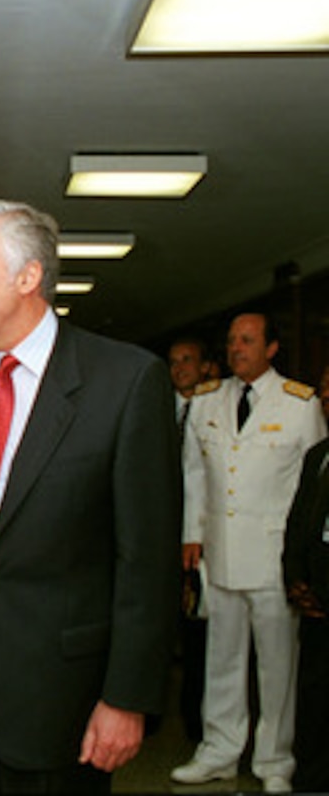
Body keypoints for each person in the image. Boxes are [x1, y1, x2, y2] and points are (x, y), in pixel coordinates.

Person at [0, 200, 181, 794]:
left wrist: (127, 698)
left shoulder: (126, 382)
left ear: (28, 277)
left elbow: (145, 560)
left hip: (62, 699)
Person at [172, 313, 326, 793]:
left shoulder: (300, 404)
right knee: (222, 658)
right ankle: (218, 750)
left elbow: (317, 488)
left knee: (277, 665)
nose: (237, 348)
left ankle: (274, 759)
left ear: (272, 348)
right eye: (233, 341)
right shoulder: (207, 400)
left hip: (274, 556)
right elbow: (194, 472)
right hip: (220, 551)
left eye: (248, 340)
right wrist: (190, 534)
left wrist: (304, 560)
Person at [168, 336, 212, 742]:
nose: (180, 368)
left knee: (200, 633)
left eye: (188, 361)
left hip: (201, 542)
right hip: (161, 537)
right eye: (174, 362)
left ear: (205, 367)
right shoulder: (158, 412)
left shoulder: (216, 411)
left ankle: (196, 722)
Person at [282, 435, 329, 793]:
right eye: (325, 394)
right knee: (314, 698)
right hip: (314, 599)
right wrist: (295, 576)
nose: (328, 400)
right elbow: (298, 519)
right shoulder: (319, 455)